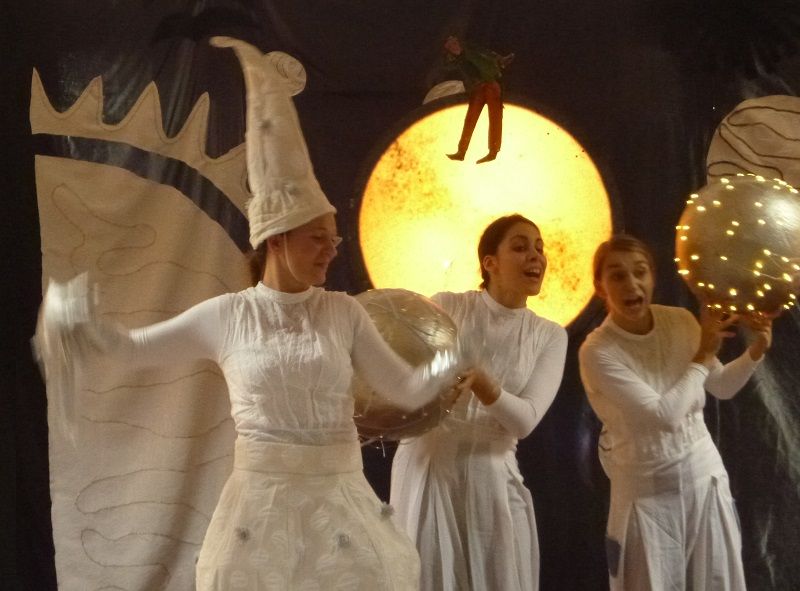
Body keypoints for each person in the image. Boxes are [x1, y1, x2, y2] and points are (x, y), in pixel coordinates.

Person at [34, 37, 465, 591]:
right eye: (317, 239)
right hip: (261, 513)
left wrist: (450, 360)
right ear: (277, 241)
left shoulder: (342, 314)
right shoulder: (227, 316)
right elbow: (133, 350)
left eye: (333, 239)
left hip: (339, 504)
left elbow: (404, 388)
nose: (331, 251)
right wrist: (75, 322)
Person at [578, 234, 773, 590]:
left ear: (653, 277)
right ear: (600, 287)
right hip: (646, 497)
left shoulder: (680, 321)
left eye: (640, 272)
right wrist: (702, 355)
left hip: (704, 480)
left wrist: (756, 351)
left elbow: (722, 386)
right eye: (618, 275)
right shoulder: (597, 351)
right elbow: (662, 417)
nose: (632, 284)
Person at [390, 214, 568, 591]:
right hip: (429, 468)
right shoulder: (446, 306)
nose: (535, 256)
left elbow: (525, 421)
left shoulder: (550, 335)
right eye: (520, 247)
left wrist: (486, 386)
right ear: (490, 263)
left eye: (539, 248)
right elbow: (408, 381)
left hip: (492, 479)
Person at [443, 35, 514, 164]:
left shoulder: (472, 51)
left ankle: (493, 151)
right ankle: (461, 151)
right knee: (471, 118)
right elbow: (448, 70)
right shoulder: (455, 61)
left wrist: (501, 60)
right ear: (448, 48)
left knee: (495, 117)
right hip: (477, 88)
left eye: (454, 42)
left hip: (490, 84)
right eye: (450, 45)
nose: (454, 45)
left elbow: (489, 56)